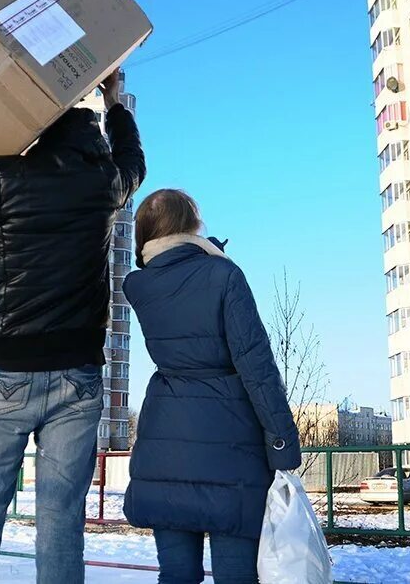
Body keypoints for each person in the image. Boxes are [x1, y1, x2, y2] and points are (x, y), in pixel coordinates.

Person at [0, 69, 145, 584]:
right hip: (78, 376)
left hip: (6, 373)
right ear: (90, 140)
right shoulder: (103, 183)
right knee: (61, 524)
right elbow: (134, 162)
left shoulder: (2, 175)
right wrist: (116, 101)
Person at [122, 189, 301, 584]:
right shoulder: (223, 274)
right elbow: (256, 364)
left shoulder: (140, 286)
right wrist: (283, 442)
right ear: (191, 225)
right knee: (236, 574)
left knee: (176, 574)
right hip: (230, 443)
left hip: (164, 439)